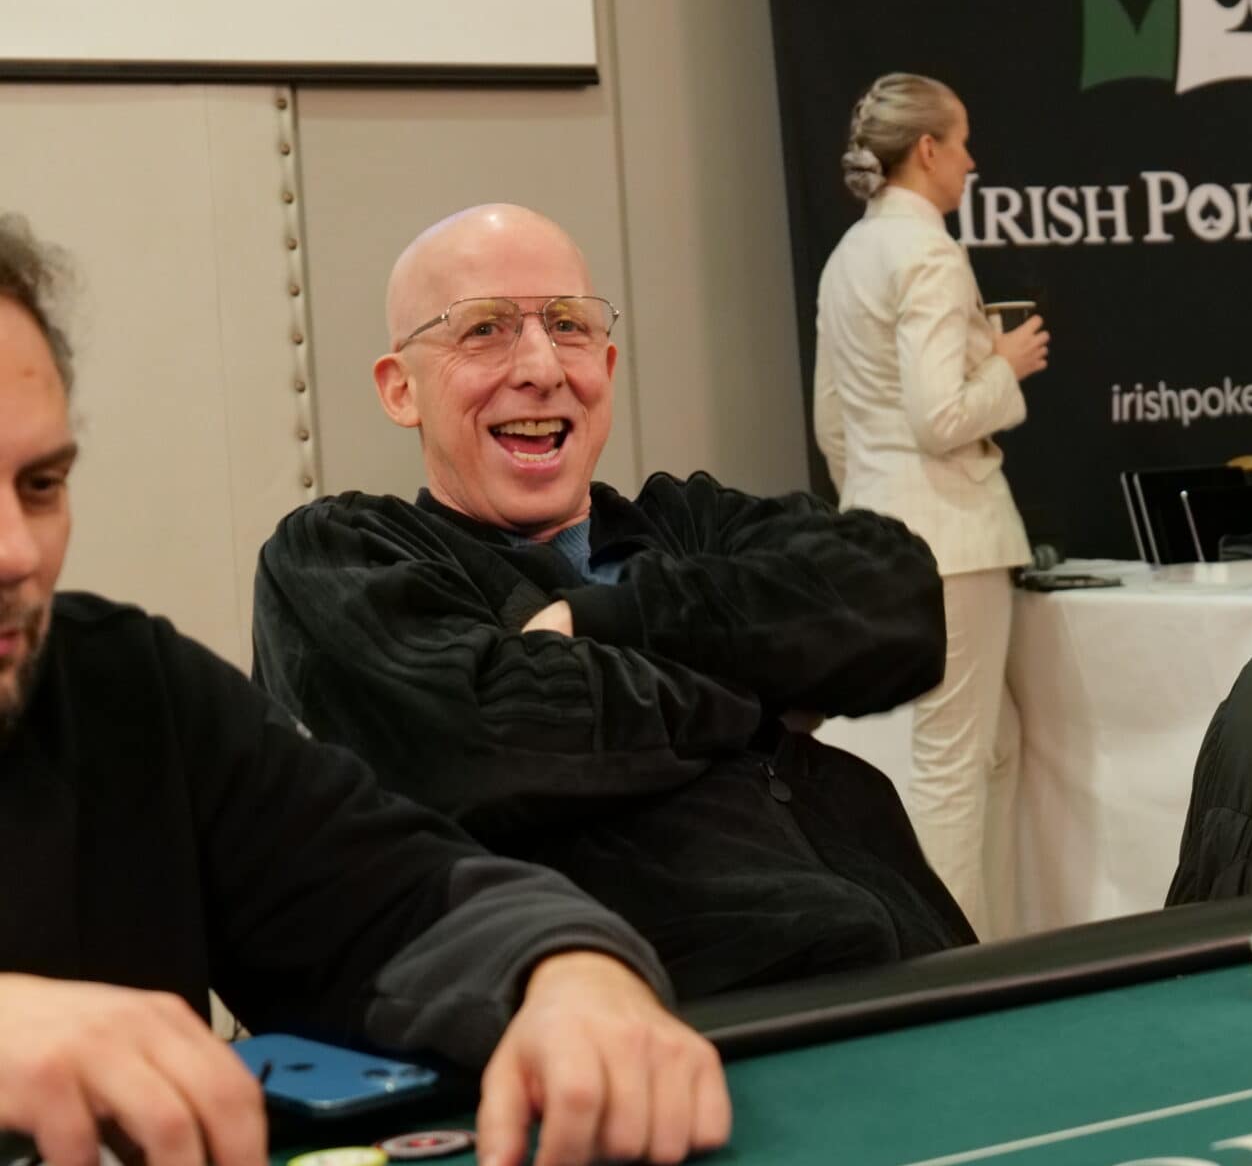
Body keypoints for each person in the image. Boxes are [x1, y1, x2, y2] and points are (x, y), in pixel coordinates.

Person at [0, 215, 729, 1166]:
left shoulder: (124, 689)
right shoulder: (338, 558)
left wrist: (570, 973)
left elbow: (401, 898)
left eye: (41, 486)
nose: (16, 553)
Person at [251, 203, 973, 1002]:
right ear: (400, 390)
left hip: (930, 981)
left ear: (607, 364)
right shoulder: (343, 557)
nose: (540, 367)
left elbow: (900, 601)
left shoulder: (691, 524)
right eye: (484, 329)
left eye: (568, 325)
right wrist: (764, 673)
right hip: (689, 1025)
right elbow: (489, 746)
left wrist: (611, 623)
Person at [812, 72, 1050, 937]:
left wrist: (873, 504)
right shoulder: (929, 253)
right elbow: (940, 416)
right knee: (954, 768)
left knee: (994, 747)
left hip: (883, 527)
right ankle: (957, 963)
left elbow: (831, 417)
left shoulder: (849, 254)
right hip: (953, 535)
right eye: (962, 142)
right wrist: (1006, 365)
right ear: (927, 149)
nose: (971, 162)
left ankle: (995, 937)